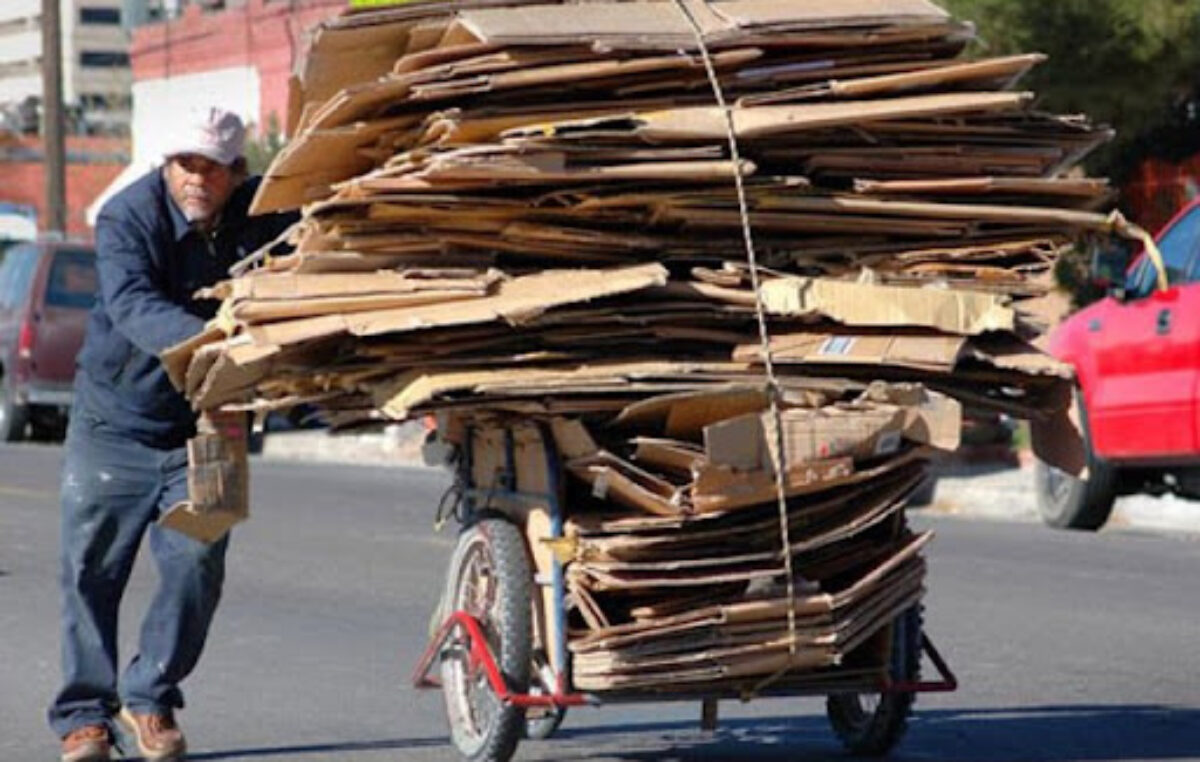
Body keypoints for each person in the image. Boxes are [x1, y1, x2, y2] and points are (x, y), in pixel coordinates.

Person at [48, 107, 295, 762]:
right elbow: (130, 303)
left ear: (235, 173)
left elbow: (322, 235)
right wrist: (220, 341)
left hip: (216, 421)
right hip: (115, 422)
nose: (197, 179)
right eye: (187, 164)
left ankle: (150, 696)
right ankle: (82, 714)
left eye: (212, 168)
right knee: (91, 569)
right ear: (167, 164)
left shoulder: (266, 209)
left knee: (198, 565)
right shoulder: (127, 217)